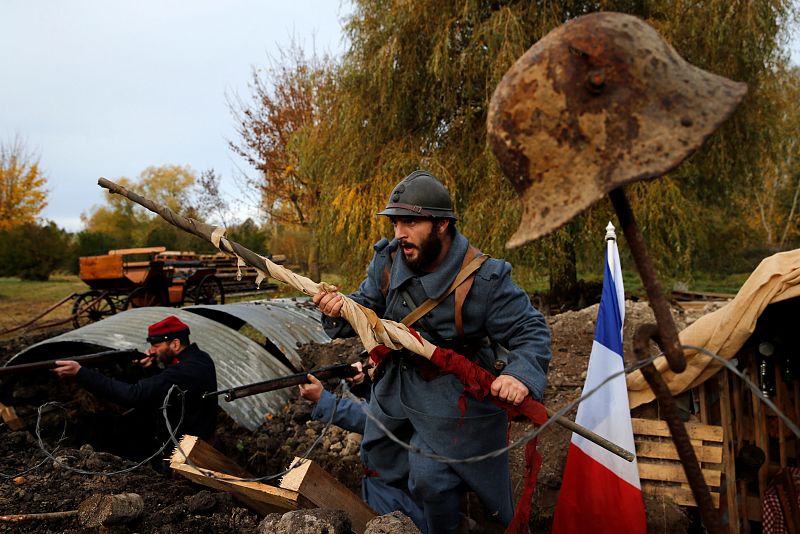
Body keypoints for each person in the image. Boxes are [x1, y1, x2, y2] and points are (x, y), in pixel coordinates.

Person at [313, 170, 551, 533]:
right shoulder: (389, 261)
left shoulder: (486, 278)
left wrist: (519, 374)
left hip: (453, 396)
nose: (399, 234)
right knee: (379, 464)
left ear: (441, 224)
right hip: (394, 390)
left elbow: (530, 330)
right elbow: (364, 308)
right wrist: (339, 307)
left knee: (431, 477)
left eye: (410, 222)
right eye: (396, 223)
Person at [52, 316, 218, 448]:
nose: (152, 351)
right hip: (195, 438)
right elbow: (172, 388)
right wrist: (152, 368)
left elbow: (132, 395)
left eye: (157, 346)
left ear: (175, 343)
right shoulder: (201, 358)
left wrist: (81, 373)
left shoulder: (181, 371)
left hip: (186, 449)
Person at [298, 367, 427, 532]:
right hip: (383, 478)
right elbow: (381, 402)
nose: (370, 361)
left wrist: (324, 400)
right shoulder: (407, 370)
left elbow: (375, 418)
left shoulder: (410, 376)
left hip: (395, 484)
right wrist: (364, 384)